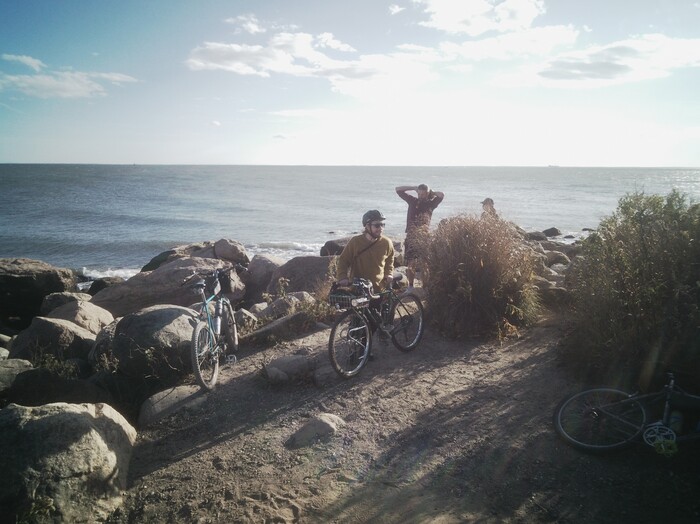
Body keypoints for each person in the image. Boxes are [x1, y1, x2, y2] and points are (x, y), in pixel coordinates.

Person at [395, 183, 444, 289]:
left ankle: (425, 287)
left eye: (423, 194)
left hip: (423, 237)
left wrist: (432, 192)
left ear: (427, 194)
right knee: (411, 264)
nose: (421, 196)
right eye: (419, 194)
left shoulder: (431, 204)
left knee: (424, 264)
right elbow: (398, 189)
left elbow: (441, 195)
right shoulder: (413, 201)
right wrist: (413, 188)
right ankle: (410, 287)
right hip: (411, 236)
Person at [336, 209, 394, 291]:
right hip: (358, 288)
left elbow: (390, 259)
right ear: (367, 226)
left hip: (378, 288)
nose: (381, 228)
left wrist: (389, 273)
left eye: (382, 225)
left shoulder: (386, 242)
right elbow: (343, 260)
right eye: (377, 225)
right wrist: (342, 277)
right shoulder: (355, 242)